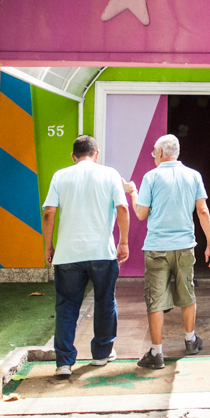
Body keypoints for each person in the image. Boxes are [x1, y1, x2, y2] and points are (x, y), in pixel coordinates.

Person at [41, 135, 130, 378]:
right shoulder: (110, 174)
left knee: (67, 307)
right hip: (103, 253)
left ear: (73, 156)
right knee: (105, 301)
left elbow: (49, 212)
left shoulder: (61, 175)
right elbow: (122, 208)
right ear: (96, 153)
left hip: (68, 254)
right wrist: (123, 241)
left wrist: (49, 246)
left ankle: (64, 363)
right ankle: (101, 354)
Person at [128, 133, 210, 369]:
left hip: (157, 248)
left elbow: (140, 213)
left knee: (155, 299)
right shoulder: (194, 175)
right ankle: (190, 340)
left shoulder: (151, 177)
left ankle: (156, 353)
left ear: (159, 153)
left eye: (153, 153)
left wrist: (133, 192)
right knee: (187, 293)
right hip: (185, 246)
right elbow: (203, 211)